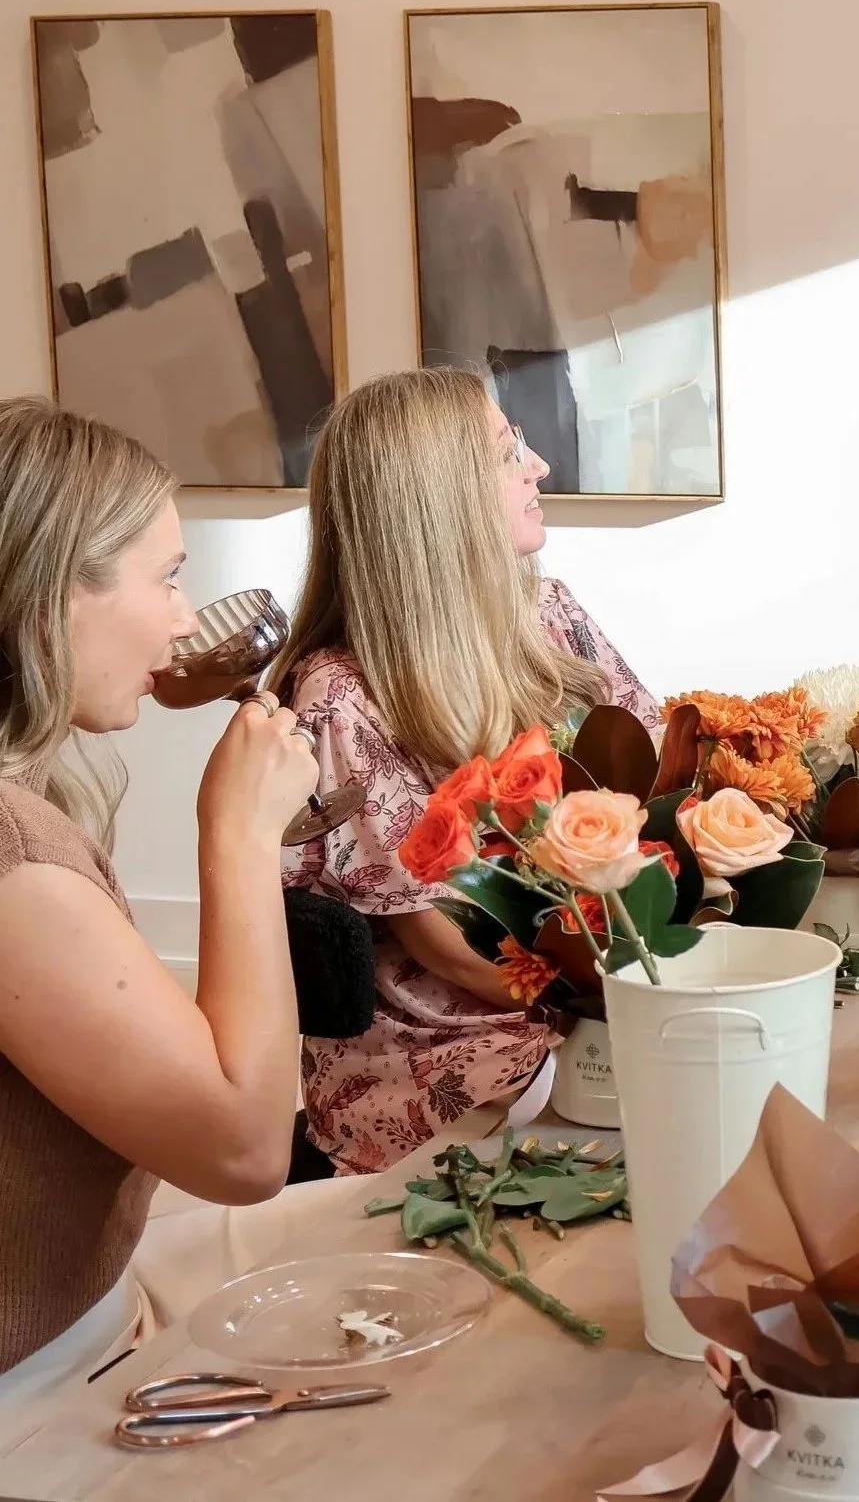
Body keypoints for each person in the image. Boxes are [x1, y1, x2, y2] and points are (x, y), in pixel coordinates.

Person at [0, 402, 317, 1400]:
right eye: (168, 577)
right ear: (53, 595)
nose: (185, 618)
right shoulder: (14, 862)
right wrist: (239, 835)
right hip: (43, 1376)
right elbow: (246, 1144)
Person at [274, 367, 660, 1176]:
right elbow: (442, 945)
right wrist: (605, 1006)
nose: (538, 466)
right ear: (436, 496)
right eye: (505, 449)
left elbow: (654, 779)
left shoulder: (549, 613)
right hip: (453, 1042)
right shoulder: (338, 698)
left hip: (575, 994)